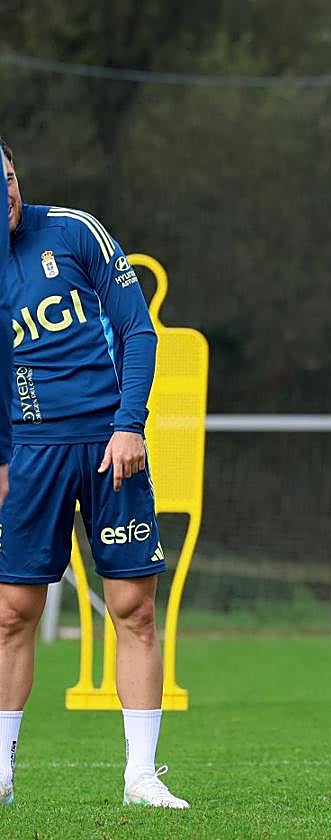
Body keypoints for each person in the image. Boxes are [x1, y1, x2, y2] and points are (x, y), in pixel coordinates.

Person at [0, 138, 187, 809]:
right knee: (11, 614)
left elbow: (139, 331)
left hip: (112, 447)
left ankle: (141, 777)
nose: (6, 192)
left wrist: (130, 423)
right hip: (30, 454)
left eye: (8, 176)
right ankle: (2, 775)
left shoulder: (75, 231)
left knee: (133, 608)